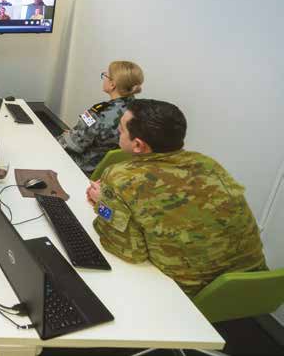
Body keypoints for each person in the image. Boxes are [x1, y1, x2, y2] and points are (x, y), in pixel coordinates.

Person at [86, 99, 267, 297]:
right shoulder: (207, 163)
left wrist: (103, 203)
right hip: (252, 287)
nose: (117, 133)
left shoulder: (122, 177)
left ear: (138, 145)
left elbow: (130, 252)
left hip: (187, 295)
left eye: (120, 130)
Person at [58, 61, 144, 175]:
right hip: (118, 170)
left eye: (105, 75)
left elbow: (75, 144)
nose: (104, 78)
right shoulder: (142, 110)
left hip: (87, 167)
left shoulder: (98, 112)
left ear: (113, 84)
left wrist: (67, 136)